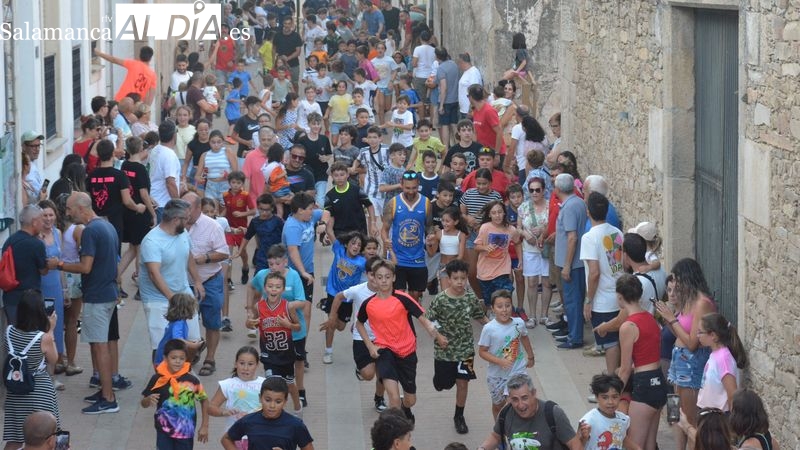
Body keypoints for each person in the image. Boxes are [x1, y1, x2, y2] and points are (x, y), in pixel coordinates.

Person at [355, 259, 446, 422]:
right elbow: (359, 323)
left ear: (394, 278)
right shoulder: (368, 304)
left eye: (387, 277)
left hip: (407, 352)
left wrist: (437, 336)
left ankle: (406, 408)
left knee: (410, 399)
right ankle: (396, 434)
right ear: (374, 279)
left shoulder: (403, 298)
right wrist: (370, 346)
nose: (383, 281)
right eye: (380, 277)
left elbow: (423, 319)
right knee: (394, 398)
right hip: (385, 351)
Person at [60, 192, 121, 414]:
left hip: (97, 295)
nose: (67, 213)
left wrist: (60, 265)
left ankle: (108, 398)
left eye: (69, 208)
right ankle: (105, 389)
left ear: (81, 208)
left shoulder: (90, 231)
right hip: (107, 292)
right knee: (99, 344)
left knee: (99, 346)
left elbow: (85, 267)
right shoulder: (107, 226)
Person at [654, 258, 716, 449]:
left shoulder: (702, 303)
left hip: (690, 366)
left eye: (678, 280)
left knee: (689, 418)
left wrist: (672, 320)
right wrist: (667, 319)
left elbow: (692, 343)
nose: (676, 285)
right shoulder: (687, 302)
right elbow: (678, 334)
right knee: (674, 413)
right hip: (677, 364)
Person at [425, 259, 487, 434]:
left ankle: (459, 416)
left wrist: (495, 330)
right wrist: (438, 336)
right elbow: (427, 319)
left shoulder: (469, 298)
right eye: (456, 278)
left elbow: (480, 317)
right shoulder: (440, 300)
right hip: (444, 351)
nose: (460, 282)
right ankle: (441, 379)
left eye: (463, 278)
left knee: (463, 383)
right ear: (449, 279)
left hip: (465, 349)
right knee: (443, 384)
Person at [139, 199, 204, 359]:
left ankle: (184, 376)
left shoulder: (183, 233)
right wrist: (172, 299)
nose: (189, 222)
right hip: (157, 300)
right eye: (186, 219)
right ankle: (164, 381)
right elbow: (154, 274)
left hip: (183, 294)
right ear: (176, 220)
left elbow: (188, 255)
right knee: (164, 348)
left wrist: (197, 280)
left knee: (193, 341)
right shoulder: (152, 241)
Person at [615, 273, 668, 450]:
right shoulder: (650, 318)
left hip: (644, 385)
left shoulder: (628, 326)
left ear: (620, 297)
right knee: (650, 444)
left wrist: (614, 396)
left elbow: (624, 369)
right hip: (659, 381)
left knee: (634, 444)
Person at [2, 290, 61, 450]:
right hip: (39, 390)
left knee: (14, 439)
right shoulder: (43, 337)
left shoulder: (9, 331)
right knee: (48, 438)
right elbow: (54, 359)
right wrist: (50, 330)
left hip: (16, 390)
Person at [183, 192, 230, 376]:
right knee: (185, 323)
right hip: (185, 285)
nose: (184, 212)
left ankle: (210, 358)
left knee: (212, 322)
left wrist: (205, 258)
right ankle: (193, 350)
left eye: (188, 208)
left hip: (210, 281)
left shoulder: (212, 226)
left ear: (198, 208)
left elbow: (224, 253)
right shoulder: (176, 223)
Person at [245, 272, 305, 417]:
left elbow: (298, 327)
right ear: (265, 288)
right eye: (270, 286)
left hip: (286, 354)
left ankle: (298, 408)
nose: (273, 289)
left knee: (290, 385)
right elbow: (249, 323)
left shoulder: (288, 307)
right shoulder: (258, 307)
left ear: (283, 289)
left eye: (277, 287)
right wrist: (249, 323)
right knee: (271, 384)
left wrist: (288, 324)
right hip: (269, 354)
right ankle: (270, 412)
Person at [477, 372, 586, 450]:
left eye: (524, 398)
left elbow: (574, 444)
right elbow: (496, 436)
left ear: (534, 393)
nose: (520, 405)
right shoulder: (505, 413)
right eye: (515, 399)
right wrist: (482, 448)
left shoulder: (553, 413)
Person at [580, 192, 624, 370]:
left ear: (588, 212)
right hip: (620, 295)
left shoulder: (589, 237)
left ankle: (612, 382)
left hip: (603, 300)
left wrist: (588, 300)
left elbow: (594, 272)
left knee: (609, 344)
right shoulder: (617, 232)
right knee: (619, 340)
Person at [141, 339, 209, 449]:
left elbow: (204, 401)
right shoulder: (157, 379)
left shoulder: (192, 381)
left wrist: (205, 425)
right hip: (163, 431)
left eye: (181, 358)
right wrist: (148, 400)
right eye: (173, 358)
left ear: (186, 359)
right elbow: (143, 403)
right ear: (165, 358)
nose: (178, 361)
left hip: (185, 432)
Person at [478, 289, 534, 418]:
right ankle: (498, 428)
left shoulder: (518, 323)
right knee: (498, 405)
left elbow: (524, 337)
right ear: (492, 309)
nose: (504, 310)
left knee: (517, 401)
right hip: (497, 375)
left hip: (518, 370)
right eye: (499, 306)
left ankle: (518, 428)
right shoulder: (489, 329)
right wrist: (500, 361)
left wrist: (530, 356)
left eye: (507, 306)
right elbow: (482, 352)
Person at [220, 377, 314, 450]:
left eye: (278, 401)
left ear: (285, 401)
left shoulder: (296, 425)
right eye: (268, 400)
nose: (272, 406)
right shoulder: (248, 421)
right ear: (260, 398)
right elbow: (226, 439)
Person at [1, 205, 55, 323]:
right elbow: (43, 271)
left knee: (14, 335)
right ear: (34, 222)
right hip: (30, 300)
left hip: (10, 298)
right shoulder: (36, 244)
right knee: (30, 337)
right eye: (41, 219)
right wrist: (52, 264)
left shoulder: (9, 241)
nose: (43, 223)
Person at [382, 171, 431, 301]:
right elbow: (384, 229)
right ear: (401, 185)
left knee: (415, 297)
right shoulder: (393, 203)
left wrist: (432, 237)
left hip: (418, 258)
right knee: (398, 296)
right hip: (397, 258)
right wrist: (386, 241)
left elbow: (429, 227)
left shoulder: (426, 203)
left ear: (418, 185)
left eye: (414, 188)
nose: (411, 191)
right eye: (407, 188)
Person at [554, 173, 588, 350]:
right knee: (575, 300)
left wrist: (567, 265)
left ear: (558, 189)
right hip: (578, 262)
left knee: (572, 301)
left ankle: (575, 337)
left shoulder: (568, 208)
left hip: (573, 264)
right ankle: (574, 334)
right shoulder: (579, 202)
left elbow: (572, 237)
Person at [207, 346, 266, 448]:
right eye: (242, 363)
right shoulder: (227, 384)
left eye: (250, 364)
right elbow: (211, 408)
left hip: (260, 435)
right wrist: (223, 412)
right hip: (234, 437)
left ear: (257, 365)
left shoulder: (265, 384)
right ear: (235, 363)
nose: (245, 368)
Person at [35, 201, 65, 388]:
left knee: (55, 328)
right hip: (41, 286)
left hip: (55, 287)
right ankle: (40, 376)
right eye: (44, 215)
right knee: (41, 330)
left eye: (51, 215)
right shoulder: (36, 237)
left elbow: (60, 263)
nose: (48, 219)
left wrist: (64, 288)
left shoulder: (58, 233)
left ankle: (51, 377)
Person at [517, 177, 551, 327]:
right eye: (532, 190)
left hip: (546, 248)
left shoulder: (551, 206)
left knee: (546, 282)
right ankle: (532, 315)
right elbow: (518, 227)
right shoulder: (523, 207)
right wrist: (525, 234)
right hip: (530, 249)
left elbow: (556, 225)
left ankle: (544, 314)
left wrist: (544, 230)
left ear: (543, 190)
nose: (535, 192)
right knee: (531, 282)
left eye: (538, 189)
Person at [696, 312, 747, 411]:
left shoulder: (724, 358)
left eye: (700, 332)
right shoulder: (715, 354)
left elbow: (732, 394)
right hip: (708, 414)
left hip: (719, 418)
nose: (697, 335)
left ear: (713, 336)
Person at [579, 374, 639, 450]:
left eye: (614, 397)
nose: (610, 402)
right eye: (605, 397)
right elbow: (576, 445)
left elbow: (622, 438)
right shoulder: (589, 420)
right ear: (597, 397)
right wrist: (583, 438)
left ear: (620, 396)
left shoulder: (623, 419)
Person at [324, 162, 376, 238]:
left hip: (359, 232)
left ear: (347, 175)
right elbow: (329, 216)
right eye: (336, 175)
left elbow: (369, 205)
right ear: (332, 176)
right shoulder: (329, 196)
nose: (339, 178)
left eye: (342, 175)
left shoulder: (357, 190)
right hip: (340, 234)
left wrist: (373, 223)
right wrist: (330, 235)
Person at [149, 121, 182, 222]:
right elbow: (170, 183)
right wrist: (178, 205)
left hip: (153, 200)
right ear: (174, 135)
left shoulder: (155, 150)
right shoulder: (169, 155)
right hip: (163, 205)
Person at [273, 16, 304, 89]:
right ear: (283, 24)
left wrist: (287, 58)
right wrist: (274, 60)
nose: (287, 25)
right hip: (280, 65)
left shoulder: (296, 36)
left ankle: (295, 98)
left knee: (294, 83)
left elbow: (298, 52)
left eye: (289, 23)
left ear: (292, 24)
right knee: (280, 83)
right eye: (285, 23)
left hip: (294, 64)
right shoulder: (277, 35)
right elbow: (273, 49)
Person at [20, 131, 47, 202]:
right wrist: (42, 199)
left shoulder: (32, 163)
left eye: (38, 145)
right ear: (24, 147)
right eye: (33, 146)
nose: (37, 149)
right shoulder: (23, 168)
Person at [456, 53, 482, 118]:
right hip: (464, 109)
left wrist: (471, 109)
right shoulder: (466, 71)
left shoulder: (473, 72)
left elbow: (474, 91)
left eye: (459, 63)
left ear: (462, 62)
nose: (458, 66)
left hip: (468, 110)